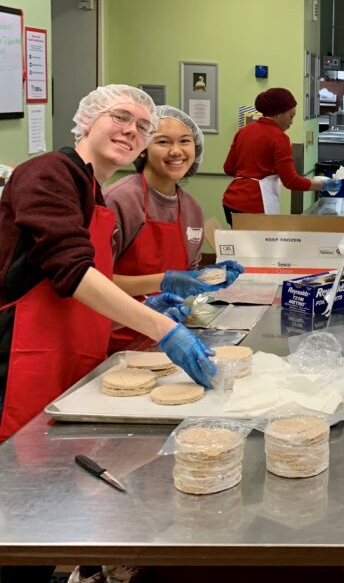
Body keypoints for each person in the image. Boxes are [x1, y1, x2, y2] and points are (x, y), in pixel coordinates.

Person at [0, 85, 216, 442]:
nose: (132, 129)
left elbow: (72, 300)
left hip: (74, 359)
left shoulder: (93, 191)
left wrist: (143, 309)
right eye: (120, 117)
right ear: (87, 121)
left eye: (143, 126)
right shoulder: (49, 173)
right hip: (24, 360)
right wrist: (162, 328)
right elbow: (74, 274)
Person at [105, 106, 243, 353]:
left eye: (185, 141)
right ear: (143, 148)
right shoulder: (120, 200)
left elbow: (186, 274)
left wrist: (207, 278)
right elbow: (95, 282)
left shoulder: (191, 208)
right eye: (163, 142)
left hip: (169, 337)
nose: (176, 151)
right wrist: (165, 281)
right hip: (117, 340)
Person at [222, 88, 326, 224]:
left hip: (230, 202)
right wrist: (322, 185)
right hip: (255, 205)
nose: (292, 122)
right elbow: (291, 181)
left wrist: (249, 172)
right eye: (291, 116)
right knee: (260, 245)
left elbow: (228, 168)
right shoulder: (279, 138)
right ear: (278, 114)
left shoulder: (244, 131)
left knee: (240, 244)